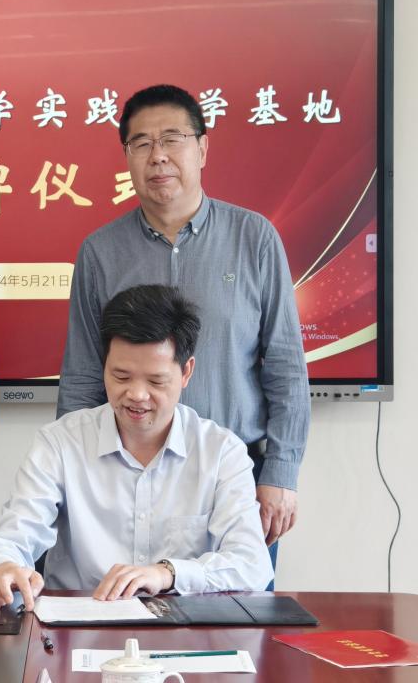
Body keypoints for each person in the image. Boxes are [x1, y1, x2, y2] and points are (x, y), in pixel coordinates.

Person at [57, 84, 310, 567]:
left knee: (238, 608)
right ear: (127, 156)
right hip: (126, 480)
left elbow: (285, 365)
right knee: (123, 607)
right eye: (142, 143)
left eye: (173, 139)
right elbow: (83, 377)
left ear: (202, 148)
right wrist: (69, 476)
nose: (158, 156)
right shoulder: (100, 252)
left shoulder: (254, 237)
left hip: (235, 478)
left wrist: (280, 473)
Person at [0, 284, 272, 609]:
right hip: (79, 624)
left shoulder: (221, 451)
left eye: (156, 381)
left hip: (181, 627)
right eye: (121, 377)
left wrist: (168, 573)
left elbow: (253, 564)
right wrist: (3, 567)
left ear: (186, 372)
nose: (137, 395)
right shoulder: (60, 443)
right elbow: (11, 537)